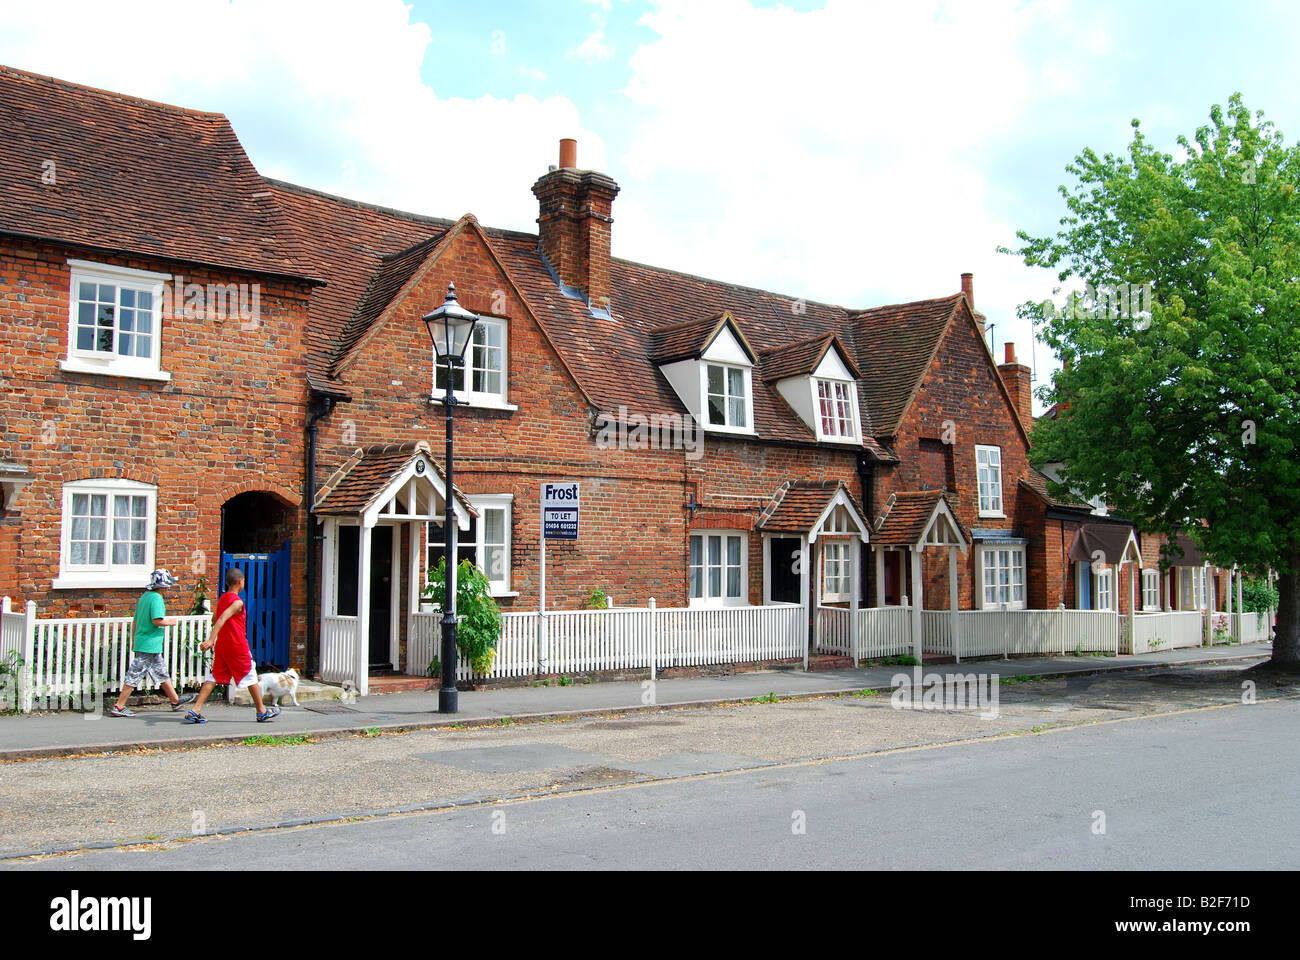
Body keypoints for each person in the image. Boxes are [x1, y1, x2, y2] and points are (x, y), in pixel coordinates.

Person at [184, 567, 278, 723]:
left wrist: (214, 640)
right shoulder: (237, 602)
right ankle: (261, 711)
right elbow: (221, 619)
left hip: (223, 646)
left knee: (213, 676)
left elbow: (216, 618)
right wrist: (210, 640)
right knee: (250, 675)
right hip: (237, 645)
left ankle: (195, 709)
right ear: (240, 582)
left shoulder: (222, 599)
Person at [108, 569, 197, 717]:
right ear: (163, 585)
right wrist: (170, 622)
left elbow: (135, 621)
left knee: (161, 672)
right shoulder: (156, 598)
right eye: (167, 585)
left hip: (145, 642)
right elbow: (156, 620)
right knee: (135, 674)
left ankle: (175, 701)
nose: (168, 588)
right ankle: (119, 705)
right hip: (149, 643)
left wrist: (133, 640)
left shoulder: (145, 596)